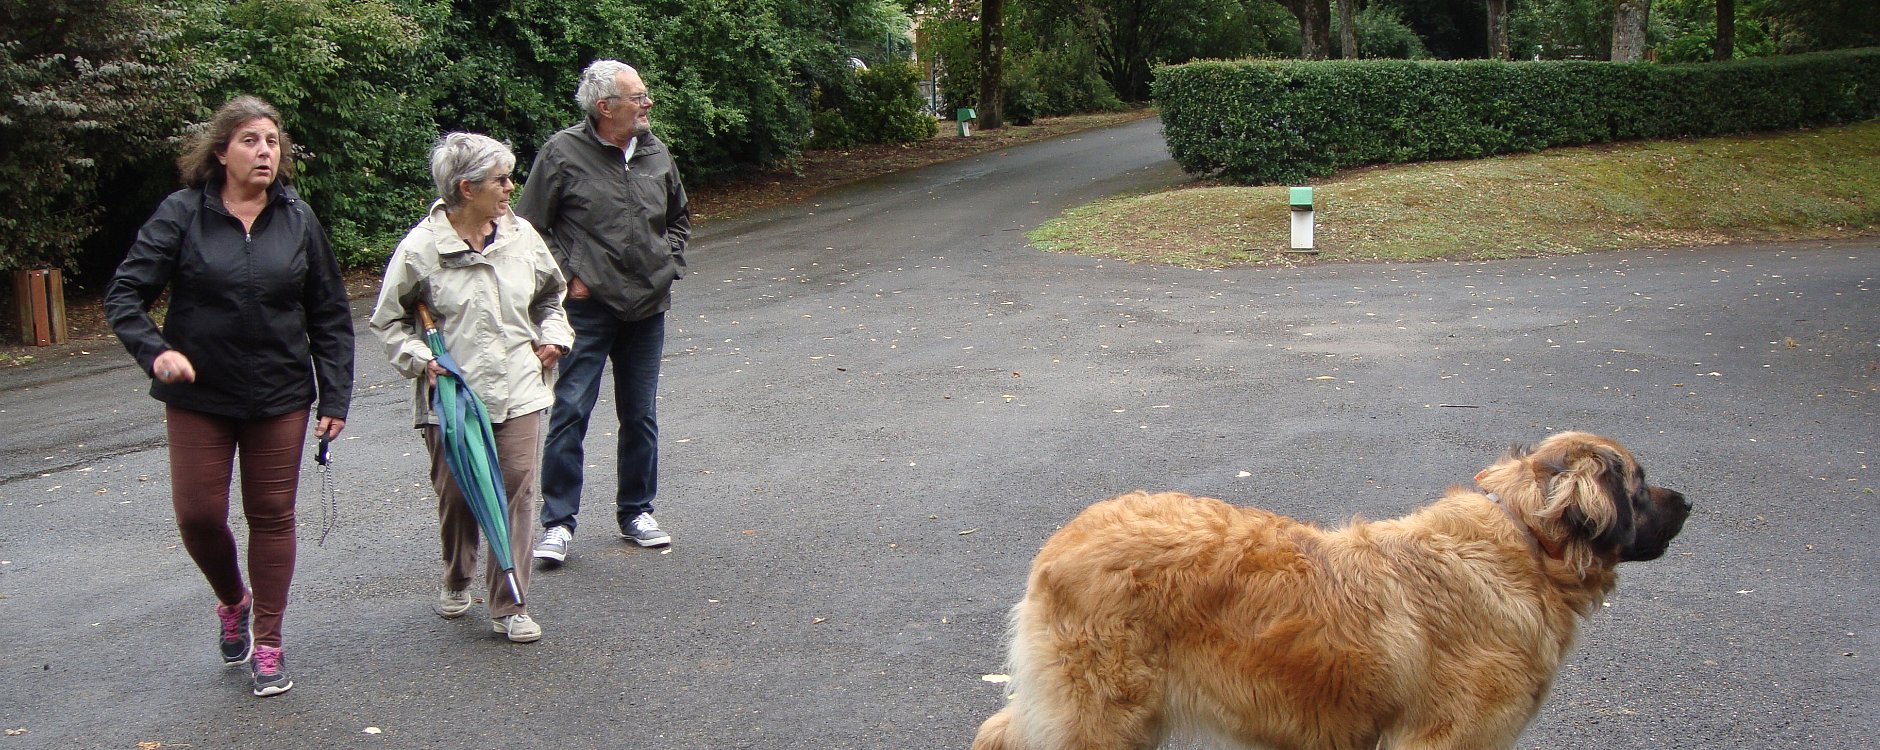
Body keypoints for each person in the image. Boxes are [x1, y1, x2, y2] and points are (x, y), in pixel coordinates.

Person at [104, 95, 354, 697]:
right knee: (197, 516)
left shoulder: (298, 218)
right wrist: (156, 352)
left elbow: (329, 313)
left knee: (272, 516)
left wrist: (334, 398)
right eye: (250, 140)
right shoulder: (182, 213)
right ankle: (232, 599)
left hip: (280, 393)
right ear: (221, 152)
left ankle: (269, 642)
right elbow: (124, 294)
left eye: (272, 141)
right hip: (200, 395)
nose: (265, 151)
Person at [369, 133, 573, 642]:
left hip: (520, 388)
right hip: (452, 396)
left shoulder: (521, 235)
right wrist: (422, 360)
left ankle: (510, 604)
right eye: (500, 180)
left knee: (517, 492)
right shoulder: (421, 249)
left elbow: (552, 297)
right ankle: (458, 575)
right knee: (459, 495)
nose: (510, 187)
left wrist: (554, 337)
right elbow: (388, 321)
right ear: (467, 188)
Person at [517, 59, 690, 563]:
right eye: (637, 97)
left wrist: (668, 264)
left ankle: (636, 512)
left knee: (640, 414)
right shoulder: (562, 153)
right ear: (605, 107)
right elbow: (530, 228)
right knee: (571, 410)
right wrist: (570, 274)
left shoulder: (655, 151)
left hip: (648, 306)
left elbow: (679, 217)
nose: (647, 103)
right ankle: (558, 524)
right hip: (587, 310)